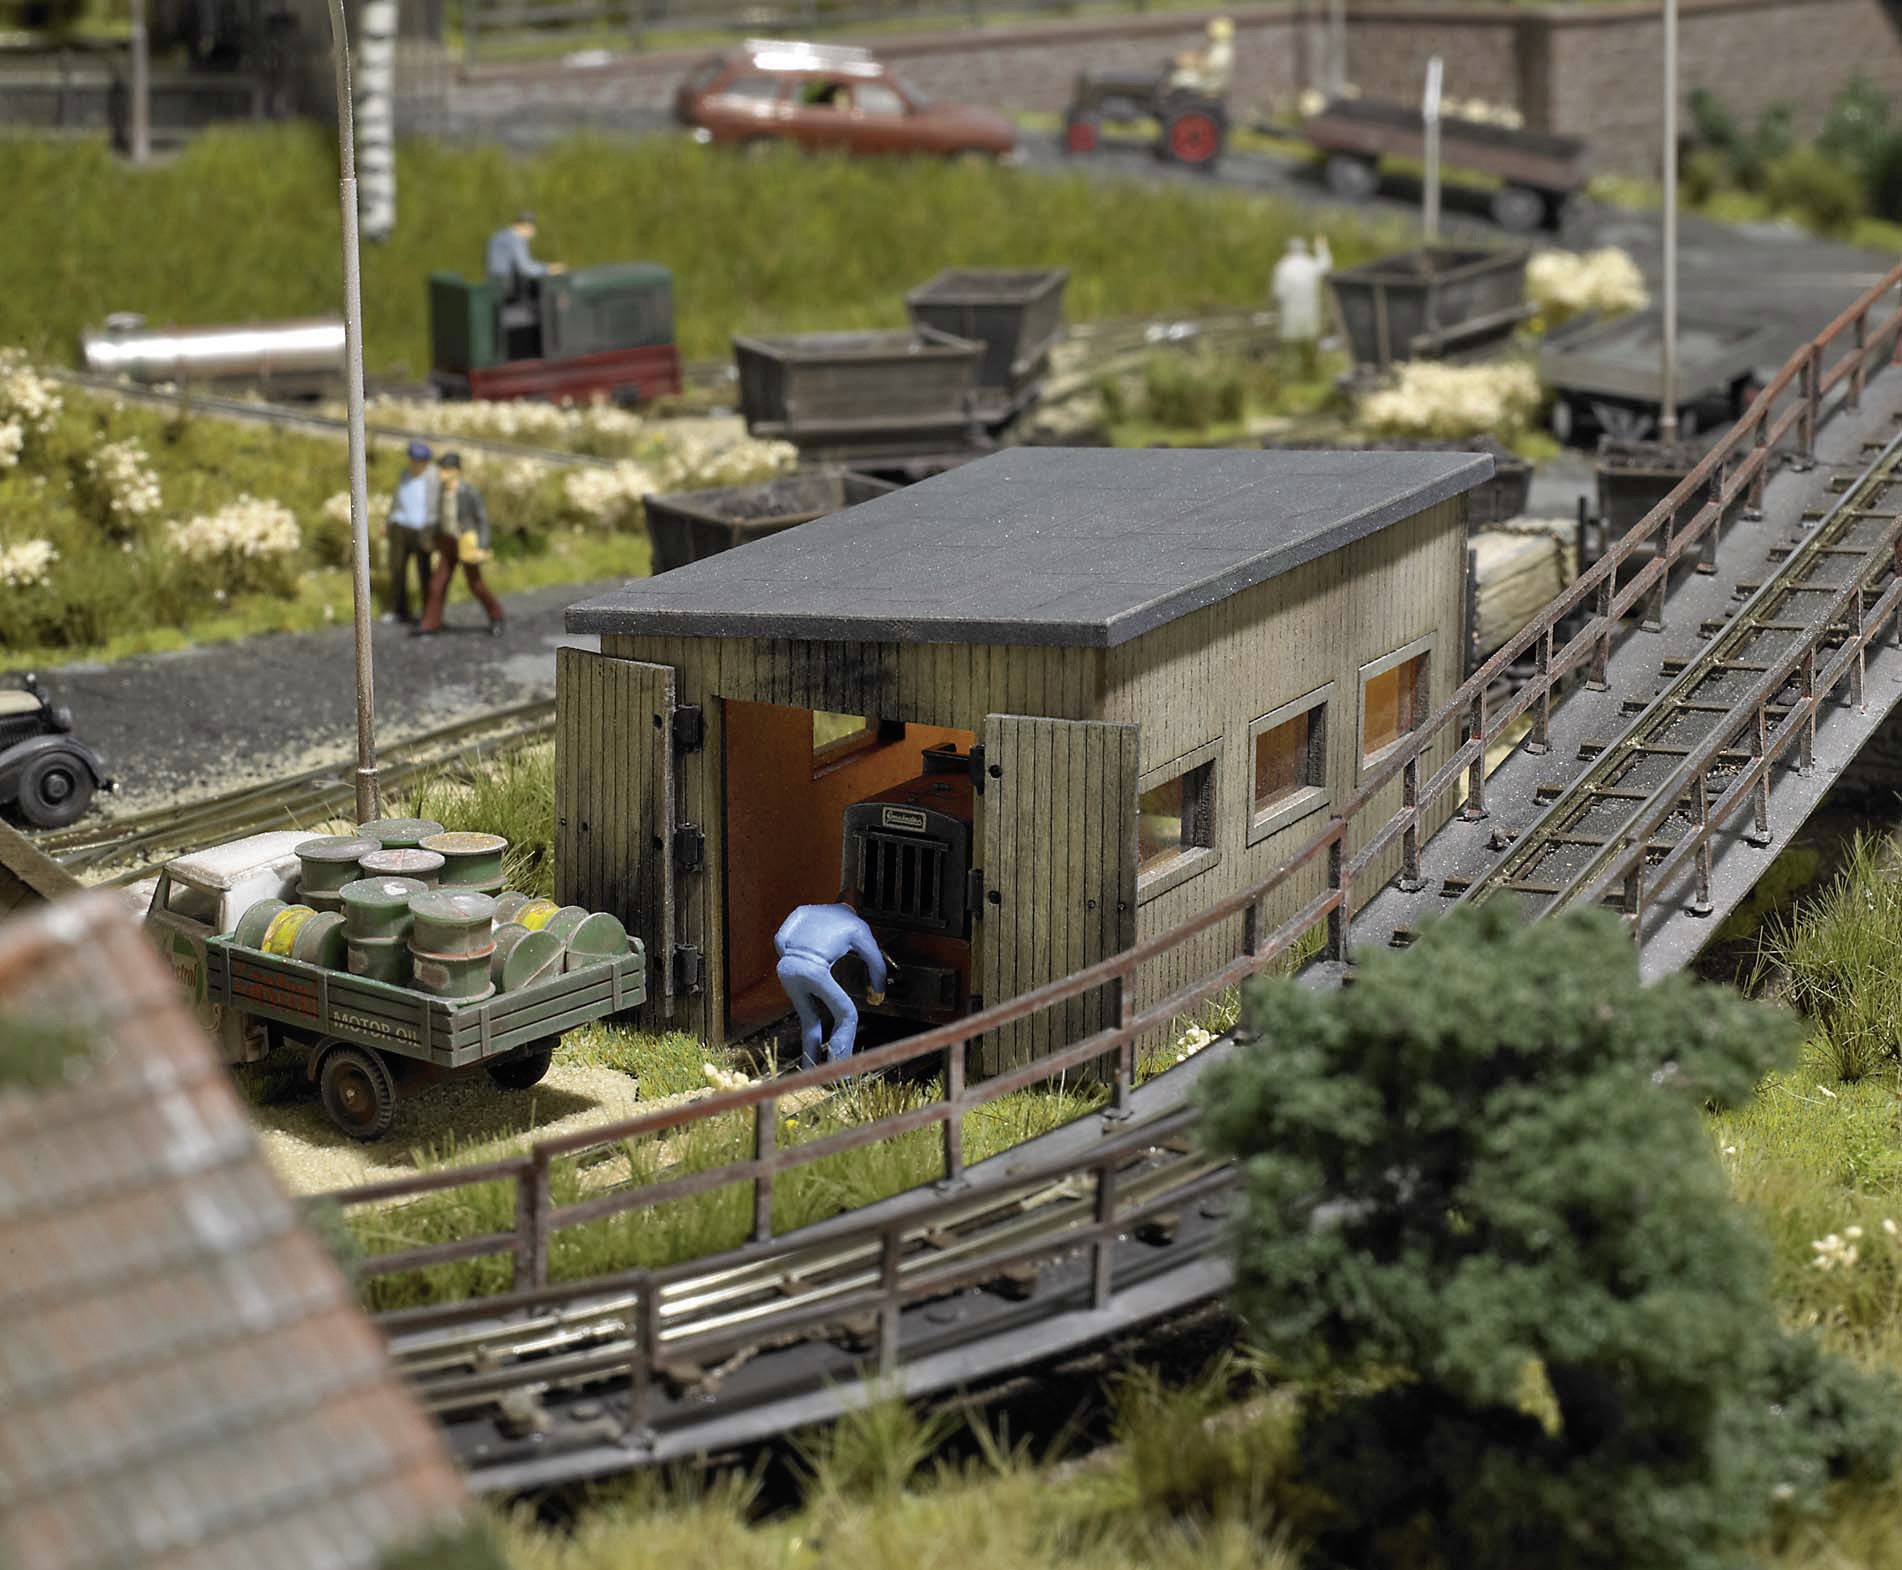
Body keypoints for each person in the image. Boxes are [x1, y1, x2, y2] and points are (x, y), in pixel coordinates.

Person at [773, 900, 890, 1070]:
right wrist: (878, 989)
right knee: (847, 1016)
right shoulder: (857, 925)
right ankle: (837, 1076)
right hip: (816, 969)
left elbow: (779, 938)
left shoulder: (803, 910)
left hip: (785, 966)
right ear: (856, 909)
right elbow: (876, 963)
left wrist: (794, 961)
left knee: (809, 1018)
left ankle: (808, 1072)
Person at [414, 452, 506, 639]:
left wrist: (483, 544)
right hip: (446, 542)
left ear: (456, 471)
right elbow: (436, 518)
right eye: (440, 469)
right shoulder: (440, 492)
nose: (441, 473)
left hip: (466, 542)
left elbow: (482, 519)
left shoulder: (469, 492)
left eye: (445, 469)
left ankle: (497, 616)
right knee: (437, 584)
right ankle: (431, 623)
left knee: (475, 584)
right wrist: (430, 540)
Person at [384, 440, 439, 625]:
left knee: (424, 572)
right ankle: (400, 609)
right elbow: (397, 499)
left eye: (419, 461)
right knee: (397, 569)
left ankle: (428, 612)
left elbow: (436, 506)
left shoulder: (433, 478)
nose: (415, 465)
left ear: (425, 462)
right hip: (400, 527)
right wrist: (389, 520)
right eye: (412, 460)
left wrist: (433, 532)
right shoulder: (405, 475)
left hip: (422, 530)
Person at [1272, 234, 1333, 378]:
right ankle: (1309, 372)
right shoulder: (1310, 264)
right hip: (1309, 313)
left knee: (1290, 344)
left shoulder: (1282, 266)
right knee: (1308, 342)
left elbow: (1278, 293)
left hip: (1290, 314)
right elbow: (1326, 266)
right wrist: (1322, 247)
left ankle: (1290, 373)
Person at [483, 211, 565, 297]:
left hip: (495, 284)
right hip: (508, 288)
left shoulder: (499, 235)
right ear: (523, 226)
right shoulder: (515, 239)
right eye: (531, 227)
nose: (533, 230)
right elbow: (525, 268)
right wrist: (549, 269)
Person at [1169, 16, 1234, 98]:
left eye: (1211, 29)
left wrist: (1189, 64)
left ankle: (1175, 103)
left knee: (1177, 78)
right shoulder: (1217, 46)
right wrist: (1188, 58)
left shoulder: (1221, 51)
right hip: (1210, 79)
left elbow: (1208, 68)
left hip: (1210, 84)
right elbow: (1201, 56)